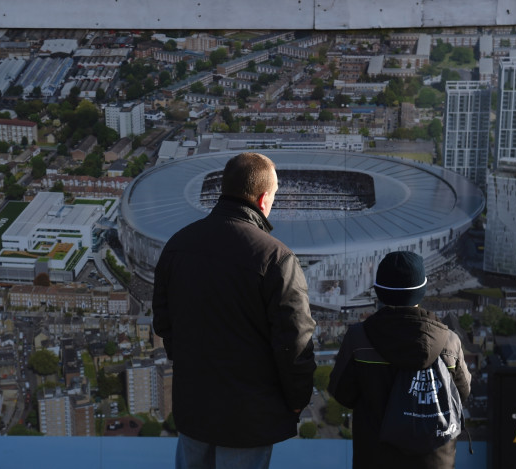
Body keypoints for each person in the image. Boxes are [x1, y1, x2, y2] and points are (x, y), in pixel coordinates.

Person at [152, 152, 316, 469]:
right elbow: (294, 341)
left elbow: (164, 323)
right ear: (263, 198)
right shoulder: (275, 258)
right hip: (248, 418)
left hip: (194, 407)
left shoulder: (177, 245)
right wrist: (297, 400)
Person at [328, 251, 471, 469]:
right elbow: (461, 394)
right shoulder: (449, 341)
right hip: (435, 459)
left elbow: (342, 393)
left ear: (379, 291)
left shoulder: (359, 339)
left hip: (376, 457)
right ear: (421, 291)